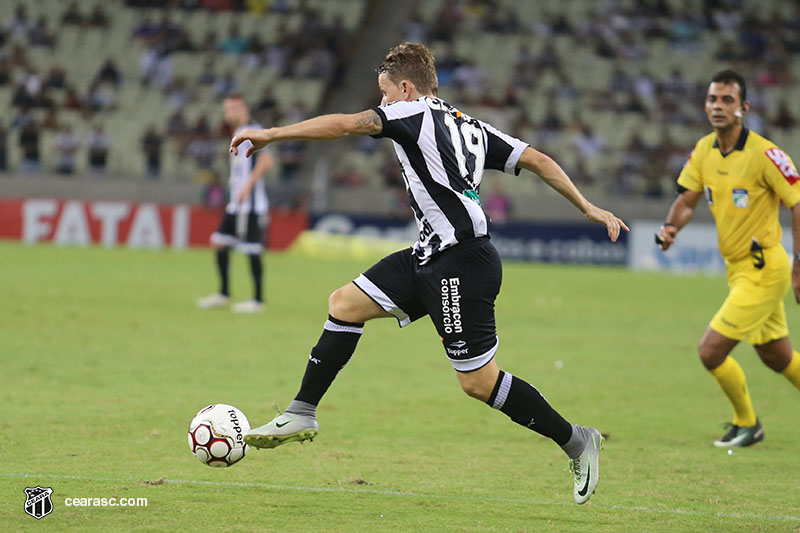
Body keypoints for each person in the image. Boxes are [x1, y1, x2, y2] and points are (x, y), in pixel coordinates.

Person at [230, 43, 627, 504]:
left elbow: (344, 124)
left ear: (405, 87)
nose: (381, 105)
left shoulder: (409, 113)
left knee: (478, 382)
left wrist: (271, 134)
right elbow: (537, 159)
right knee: (344, 303)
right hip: (428, 254)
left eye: (384, 94)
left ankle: (578, 440)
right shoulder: (470, 126)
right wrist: (588, 205)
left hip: (462, 263)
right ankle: (302, 410)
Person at [656, 69, 800, 447]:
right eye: (712, 100)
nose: (717, 107)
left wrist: (799, 265)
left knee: (711, 350)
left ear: (744, 108)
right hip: (738, 271)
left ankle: (747, 423)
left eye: (727, 100)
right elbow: (686, 200)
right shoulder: (704, 150)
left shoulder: (765, 154)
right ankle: (748, 423)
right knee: (777, 357)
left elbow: (798, 203)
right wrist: (671, 228)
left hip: (764, 270)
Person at [197, 93, 273, 314]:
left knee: (253, 249)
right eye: (226, 109)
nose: (228, 113)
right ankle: (223, 294)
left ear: (244, 110)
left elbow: (267, 160)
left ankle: (258, 300)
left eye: (232, 108)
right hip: (236, 205)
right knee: (220, 242)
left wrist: (248, 185)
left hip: (251, 204)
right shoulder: (237, 133)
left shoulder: (254, 131)